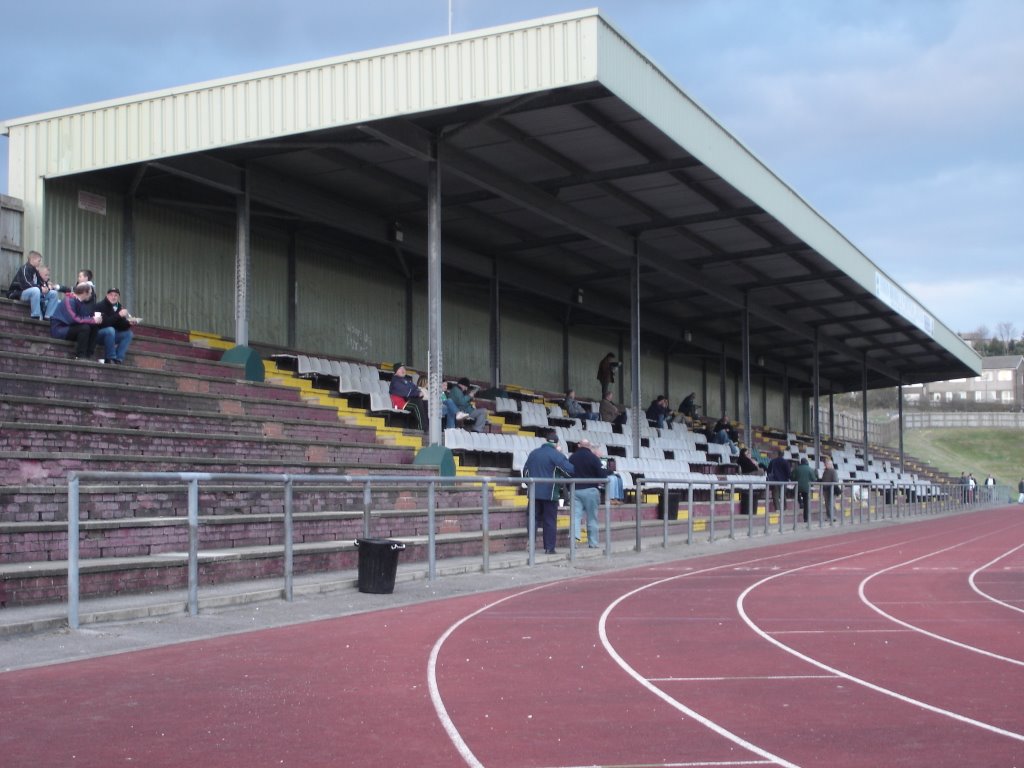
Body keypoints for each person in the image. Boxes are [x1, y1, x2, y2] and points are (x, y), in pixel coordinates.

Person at [523, 429, 575, 554]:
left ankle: (531, 543)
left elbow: (525, 473)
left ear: (545, 441)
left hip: (534, 492)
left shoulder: (533, 453)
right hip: (550, 492)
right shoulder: (557, 455)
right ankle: (549, 548)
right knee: (549, 521)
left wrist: (529, 485)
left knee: (532, 518)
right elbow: (570, 471)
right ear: (557, 443)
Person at [568, 438, 608, 548]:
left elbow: (567, 473)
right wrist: (601, 460)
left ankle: (574, 541)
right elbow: (603, 475)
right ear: (589, 446)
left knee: (575, 517)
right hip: (591, 490)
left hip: (575, 489)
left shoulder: (572, 458)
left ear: (579, 445)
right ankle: (593, 543)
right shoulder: (594, 458)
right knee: (592, 517)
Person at [49, 282, 103, 359]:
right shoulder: (69, 300)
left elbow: (84, 317)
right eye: (90, 293)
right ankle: (81, 355)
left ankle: (89, 354)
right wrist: (92, 320)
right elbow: (73, 318)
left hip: (70, 327)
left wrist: (95, 319)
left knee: (94, 327)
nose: (91, 295)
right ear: (85, 293)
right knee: (85, 328)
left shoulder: (80, 302)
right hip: (60, 329)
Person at [7, 250, 61, 320]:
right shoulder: (24, 268)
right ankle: (35, 315)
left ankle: (48, 316)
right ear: (33, 259)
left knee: (53, 293)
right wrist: (40, 288)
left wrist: (46, 288)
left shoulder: (35, 271)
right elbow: (26, 284)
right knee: (35, 290)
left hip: (33, 293)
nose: (40, 263)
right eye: (39, 261)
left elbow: (41, 283)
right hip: (19, 293)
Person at [95, 288, 135, 364]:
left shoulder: (119, 307)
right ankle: (110, 358)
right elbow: (104, 323)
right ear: (107, 296)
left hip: (111, 335)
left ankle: (118, 358)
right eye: (111, 295)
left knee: (128, 334)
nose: (113, 297)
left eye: (116, 295)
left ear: (118, 297)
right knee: (110, 330)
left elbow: (120, 326)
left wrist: (128, 323)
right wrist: (118, 315)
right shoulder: (100, 306)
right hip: (98, 335)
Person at [388, 363, 427, 431]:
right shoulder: (395, 381)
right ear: (396, 371)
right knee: (417, 403)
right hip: (400, 403)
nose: (403, 370)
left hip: (408, 401)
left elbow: (415, 388)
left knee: (425, 403)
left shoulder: (406, 380)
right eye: (400, 369)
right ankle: (422, 428)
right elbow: (405, 391)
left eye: (404, 369)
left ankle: (427, 427)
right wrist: (417, 394)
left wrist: (418, 392)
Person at [736, 447, 763, 514]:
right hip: (748, 473)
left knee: (761, 469)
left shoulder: (742, 459)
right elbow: (751, 467)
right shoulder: (744, 459)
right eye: (747, 452)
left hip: (749, 472)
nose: (748, 454)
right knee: (761, 471)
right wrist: (755, 465)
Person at [792, 458, 816, 523]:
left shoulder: (796, 468)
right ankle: (806, 519)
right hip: (807, 488)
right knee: (806, 503)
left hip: (798, 487)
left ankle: (800, 501)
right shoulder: (810, 469)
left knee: (795, 492)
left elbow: (792, 477)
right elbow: (814, 479)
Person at [766, 449, 791, 513]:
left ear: (778, 454)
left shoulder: (773, 461)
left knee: (775, 495)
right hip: (784, 481)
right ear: (783, 455)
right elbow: (788, 472)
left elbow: (768, 471)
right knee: (783, 495)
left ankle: (777, 509)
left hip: (775, 480)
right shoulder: (785, 462)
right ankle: (784, 508)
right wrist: (788, 478)